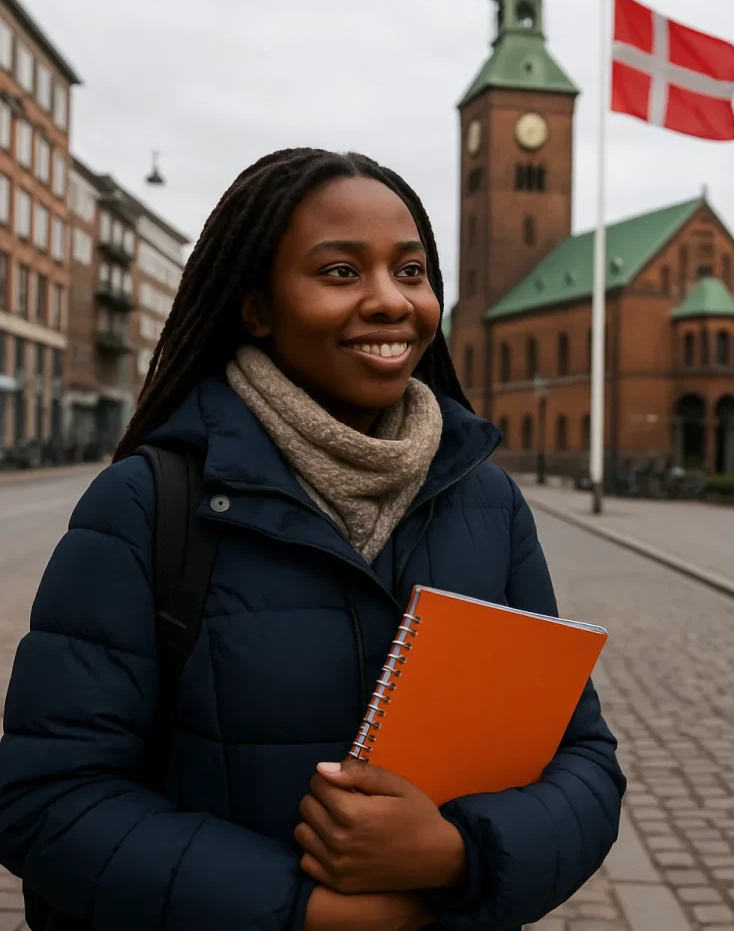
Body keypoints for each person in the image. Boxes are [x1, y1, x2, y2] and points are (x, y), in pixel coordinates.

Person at [0, 148, 625, 931]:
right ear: (257, 307)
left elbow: (585, 763)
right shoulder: (146, 503)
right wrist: (310, 910)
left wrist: (458, 854)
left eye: (410, 271)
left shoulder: (488, 502)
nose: (391, 300)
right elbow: (50, 799)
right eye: (339, 272)